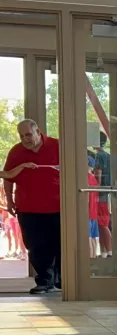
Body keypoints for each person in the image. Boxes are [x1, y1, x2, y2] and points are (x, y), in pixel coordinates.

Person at [3, 119, 61, 294]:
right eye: (21, 136)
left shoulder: (58, 146)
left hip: (58, 206)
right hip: (27, 207)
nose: (25, 139)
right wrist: (10, 200)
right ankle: (44, 280)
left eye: (28, 134)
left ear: (38, 131)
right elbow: (8, 177)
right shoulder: (16, 152)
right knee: (35, 246)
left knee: (60, 244)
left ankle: (62, 280)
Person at [93, 132, 112, 258]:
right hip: (107, 192)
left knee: (103, 224)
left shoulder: (99, 156)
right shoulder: (108, 156)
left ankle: (109, 252)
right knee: (102, 224)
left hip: (101, 194)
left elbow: (98, 176)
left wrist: (95, 189)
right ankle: (104, 252)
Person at [86, 156, 100, 258]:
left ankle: (89, 261)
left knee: (88, 238)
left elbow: (86, 197)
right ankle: (93, 258)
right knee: (94, 238)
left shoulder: (86, 177)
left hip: (87, 212)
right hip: (93, 213)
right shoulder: (93, 178)